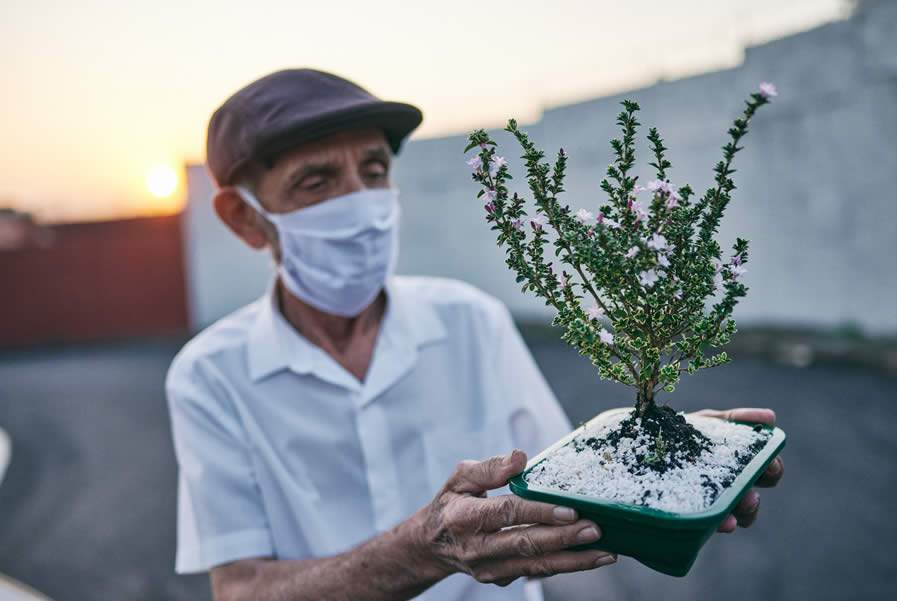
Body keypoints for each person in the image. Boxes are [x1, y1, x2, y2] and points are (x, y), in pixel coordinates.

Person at [166, 68, 785, 601]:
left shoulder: (470, 320)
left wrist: (663, 458)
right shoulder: (210, 376)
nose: (361, 203)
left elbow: (562, 484)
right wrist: (423, 549)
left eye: (374, 170)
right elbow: (242, 588)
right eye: (317, 182)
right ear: (244, 218)